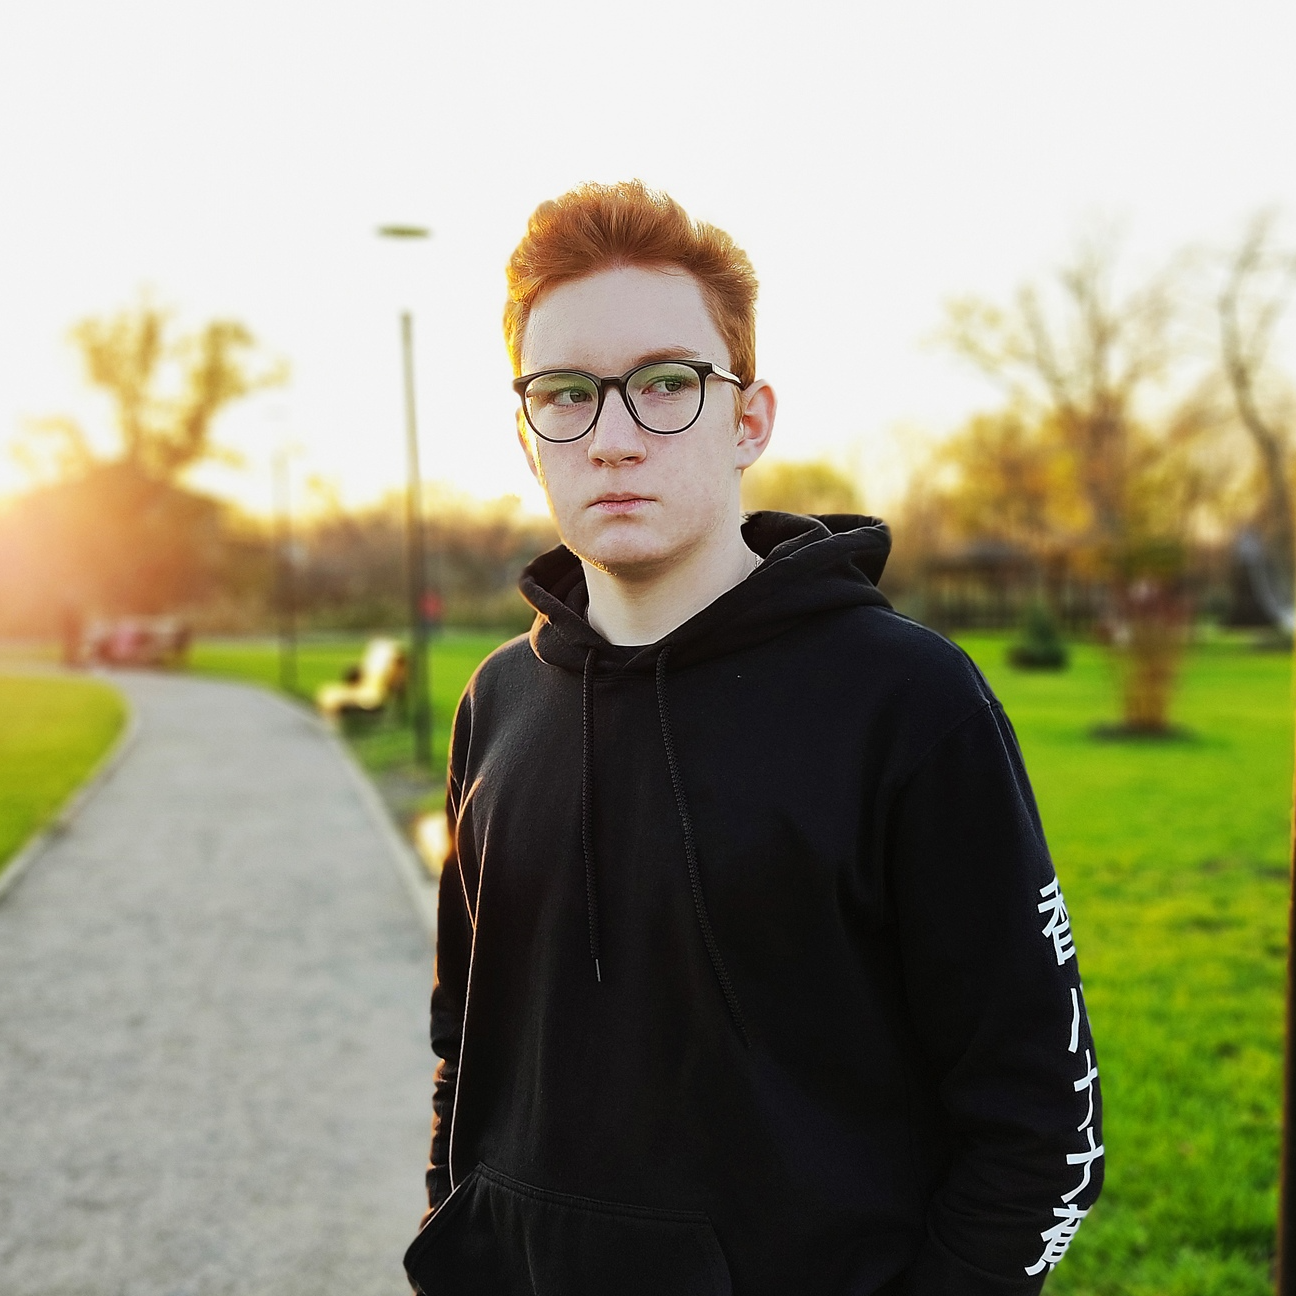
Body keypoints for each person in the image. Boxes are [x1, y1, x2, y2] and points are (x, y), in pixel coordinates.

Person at [404, 181, 1102, 1296]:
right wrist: (456, 1230)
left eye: (665, 384)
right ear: (527, 435)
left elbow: (1043, 1125)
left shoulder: (908, 703)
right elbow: (465, 1038)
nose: (614, 439)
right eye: (567, 393)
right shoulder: (498, 702)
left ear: (750, 419)